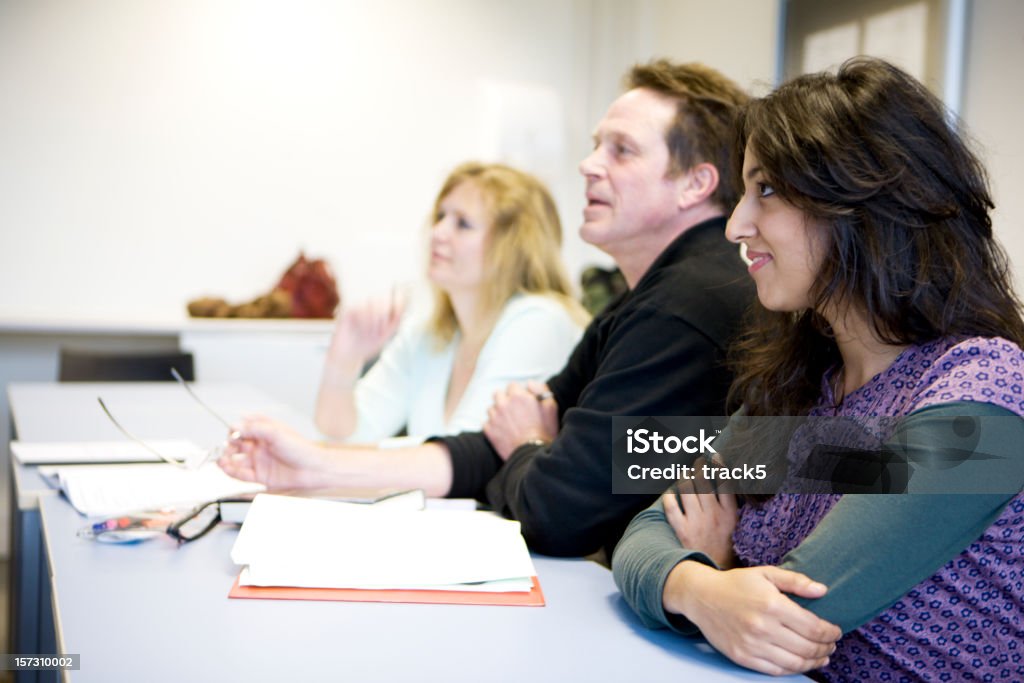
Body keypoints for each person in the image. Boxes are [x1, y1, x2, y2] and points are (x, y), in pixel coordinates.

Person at [219, 60, 754, 558]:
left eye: (621, 150)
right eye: (596, 146)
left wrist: (529, 443)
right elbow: (491, 454)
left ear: (695, 183)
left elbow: (557, 508)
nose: (588, 165)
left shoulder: (685, 304)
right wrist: (313, 470)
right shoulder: (646, 300)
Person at [612, 57, 1024, 680]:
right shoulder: (804, 387)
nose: (734, 225)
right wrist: (701, 588)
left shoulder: (985, 392)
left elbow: (801, 605)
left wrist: (714, 569)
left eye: (767, 190)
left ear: (861, 203)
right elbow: (644, 533)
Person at [314, 162, 587, 443]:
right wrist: (343, 360)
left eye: (463, 223)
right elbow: (346, 439)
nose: (438, 233)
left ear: (514, 246)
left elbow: (463, 454)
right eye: (440, 216)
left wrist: (335, 460)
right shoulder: (429, 335)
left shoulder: (540, 321)